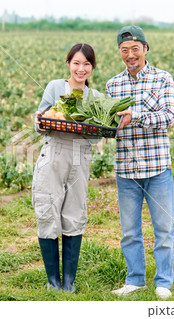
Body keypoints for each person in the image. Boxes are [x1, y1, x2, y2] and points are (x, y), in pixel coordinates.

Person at [105, 26, 174, 299]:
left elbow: (167, 117)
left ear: (146, 48)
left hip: (157, 167)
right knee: (129, 232)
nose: (130, 55)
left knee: (163, 230)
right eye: (124, 50)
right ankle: (135, 279)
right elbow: (111, 124)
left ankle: (163, 283)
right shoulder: (113, 85)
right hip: (126, 170)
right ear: (120, 53)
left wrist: (134, 115)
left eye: (135, 49)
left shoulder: (162, 79)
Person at [32, 43, 99, 292]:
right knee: (47, 208)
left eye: (87, 64)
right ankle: (53, 282)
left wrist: (91, 127)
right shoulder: (54, 87)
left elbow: (96, 137)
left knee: (74, 212)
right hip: (54, 153)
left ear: (92, 67)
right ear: (68, 63)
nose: (81, 69)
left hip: (81, 157)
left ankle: (69, 282)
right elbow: (40, 124)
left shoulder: (95, 98)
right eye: (76, 63)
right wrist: (40, 121)